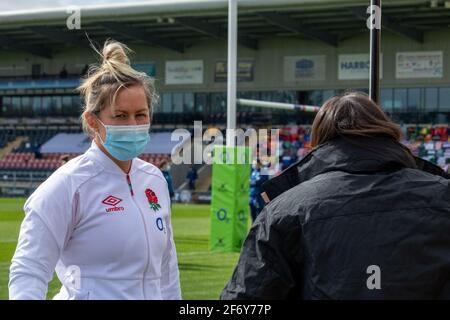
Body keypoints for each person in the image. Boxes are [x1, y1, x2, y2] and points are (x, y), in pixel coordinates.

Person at [221, 92, 450, 300]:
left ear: (319, 139)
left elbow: (246, 298)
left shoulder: (286, 209)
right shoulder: (442, 196)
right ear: (386, 132)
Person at [9, 40, 181, 300]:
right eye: (121, 116)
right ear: (93, 120)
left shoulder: (154, 179)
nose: (133, 124)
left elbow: (167, 270)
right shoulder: (67, 185)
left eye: (141, 114)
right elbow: (29, 270)